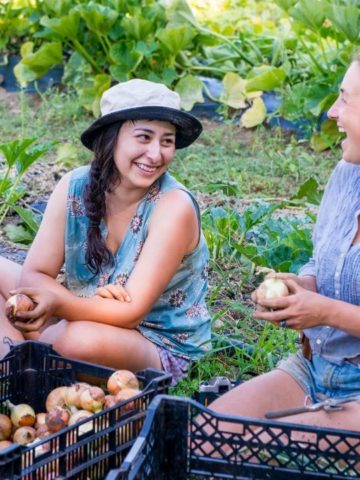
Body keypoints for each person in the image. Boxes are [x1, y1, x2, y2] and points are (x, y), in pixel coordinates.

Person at [0, 79, 211, 384]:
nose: (155, 154)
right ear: (111, 138)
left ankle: (19, 353)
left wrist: (60, 305)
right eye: (144, 137)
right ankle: (22, 356)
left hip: (154, 341)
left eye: (167, 141)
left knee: (76, 342)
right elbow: (34, 275)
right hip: (83, 311)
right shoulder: (74, 186)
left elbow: (131, 313)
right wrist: (92, 305)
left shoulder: (173, 206)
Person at [209, 53, 360, 432]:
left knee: (271, 444)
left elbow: (328, 308)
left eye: (345, 99)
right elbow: (320, 260)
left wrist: (325, 312)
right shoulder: (346, 176)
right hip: (317, 368)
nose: (331, 112)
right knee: (208, 434)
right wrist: (300, 289)